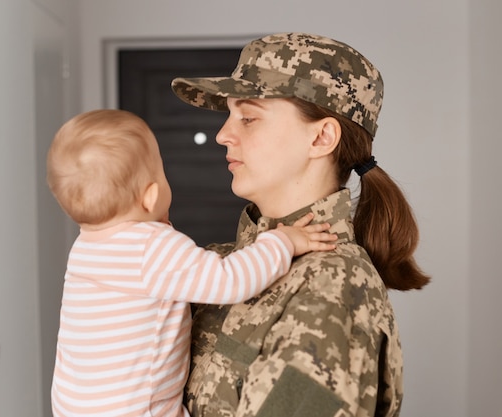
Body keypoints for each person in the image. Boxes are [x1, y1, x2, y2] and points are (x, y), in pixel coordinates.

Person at [171, 32, 431, 417]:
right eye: (229, 116)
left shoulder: (332, 286)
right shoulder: (216, 268)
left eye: (249, 117)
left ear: (322, 137)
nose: (223, 135)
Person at [46, 109, 338, 417]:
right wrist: (283, 242)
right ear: (151, 195)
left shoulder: (83, 251)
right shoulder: (151, 246)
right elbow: (230, 281)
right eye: (161, 171)